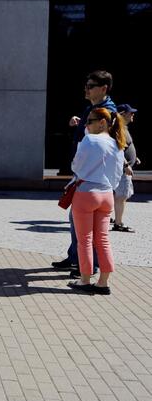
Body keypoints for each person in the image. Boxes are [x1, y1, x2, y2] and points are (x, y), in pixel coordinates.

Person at [52, 70, 116, 277]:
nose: (86, 89)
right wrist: (81, 122)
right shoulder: (96, 110)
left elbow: (93, 147)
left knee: (87, 234)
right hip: (101, 186)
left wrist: (78, 172)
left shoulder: (106, 112)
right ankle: (90, 270)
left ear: (103, 88)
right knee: (99, 236)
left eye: (90, 86)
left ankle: (85, 272)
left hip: (89, 181)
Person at [67, 107, 126, 295]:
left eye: (89, 121)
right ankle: (103, 282)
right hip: (107, 193)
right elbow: (118, 173)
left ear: (102, 122)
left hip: (86, 192)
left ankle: (85, 280)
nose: (86, 125)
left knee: (84, 240)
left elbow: (76, 165)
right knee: (103, 239)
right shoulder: (117, 143)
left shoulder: (89, 139)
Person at [112, 103, 140, 232]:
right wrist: (126, 165)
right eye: (130, 112)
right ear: (122, 114)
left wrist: (134, 158)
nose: (133, 114)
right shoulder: (118, 128)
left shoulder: (123, 127)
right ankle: (118, 223)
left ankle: (113, 219)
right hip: (122, 170)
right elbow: (117, 149)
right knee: (121, 196)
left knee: (120, 196)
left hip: (124, 168)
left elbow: (126, 147)